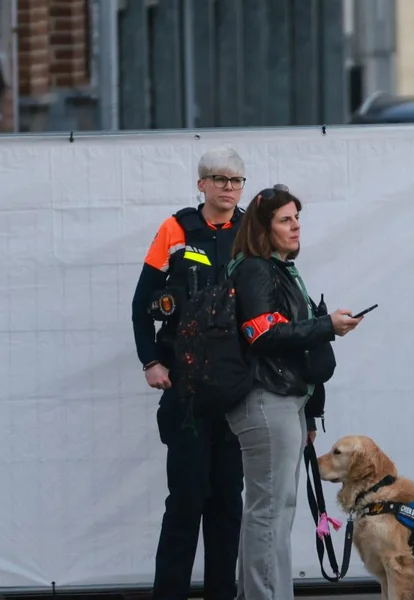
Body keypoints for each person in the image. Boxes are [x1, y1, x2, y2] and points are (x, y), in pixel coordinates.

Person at [226, 185, 362, 600]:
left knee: (273, 510)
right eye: (285, 219)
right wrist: (327, 326)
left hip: (284, 403)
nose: (296, 226)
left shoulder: (278, 269)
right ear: (264, 228)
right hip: (267, 401)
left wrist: (309, 413)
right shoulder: (255, 269)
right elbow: (261, 332)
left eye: (296, 218)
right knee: (270, 513)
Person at [131, 145, 248, 600]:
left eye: (236, 181)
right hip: (186, 386)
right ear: (201, 184)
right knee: (185, 500)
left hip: (236, 387)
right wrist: (150, 361)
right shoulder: (176, 228)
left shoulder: (250, 231)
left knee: (227, 503)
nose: (229, 188)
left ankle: (223, 593)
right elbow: (143, 303)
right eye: (220, 179)